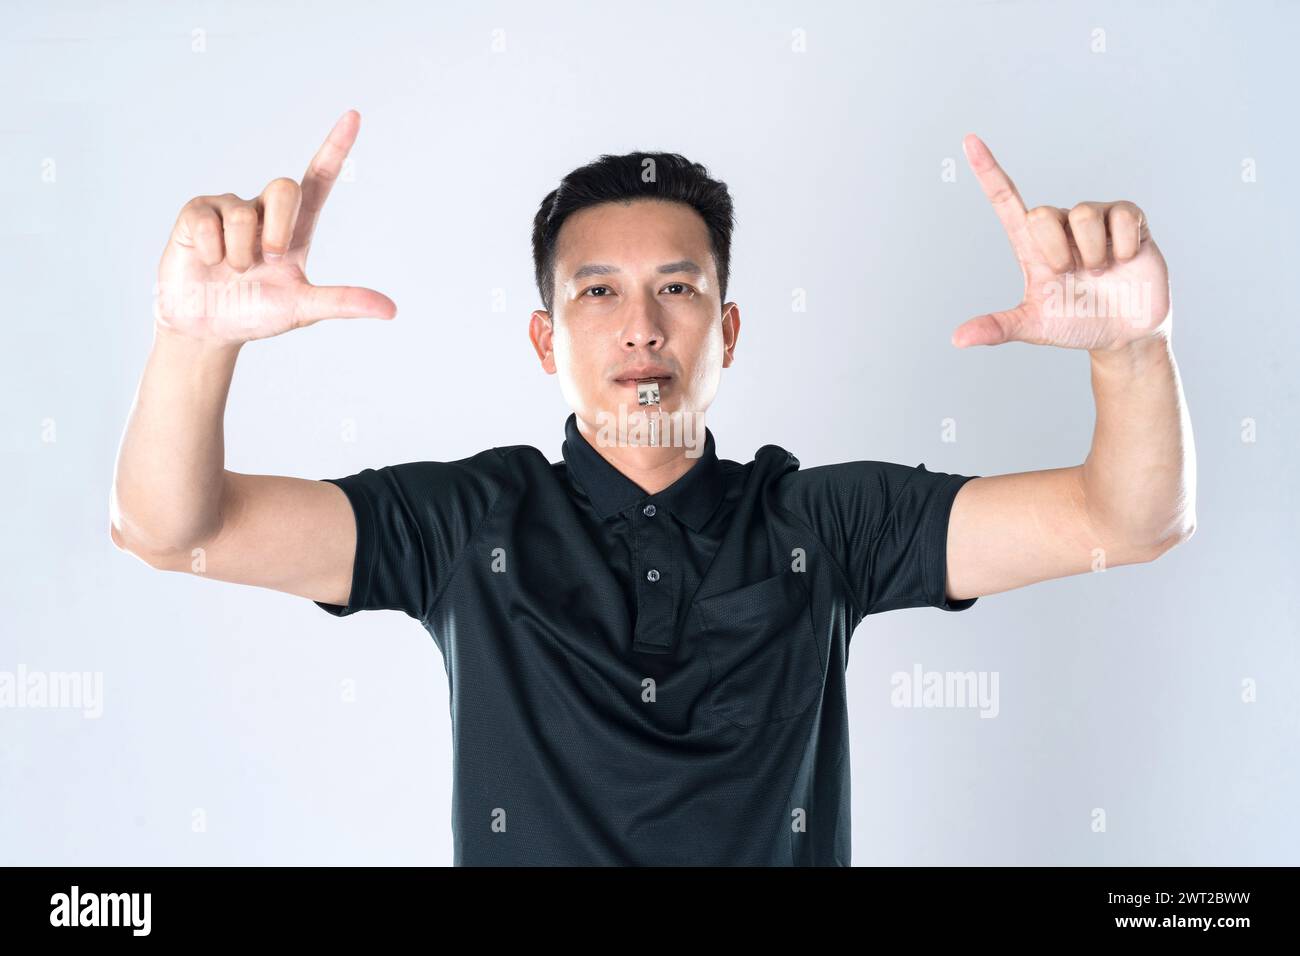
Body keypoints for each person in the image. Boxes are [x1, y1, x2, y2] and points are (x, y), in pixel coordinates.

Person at [109, 110, 1196, 865]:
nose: (641, 327)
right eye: (598, 293)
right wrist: (190, 342)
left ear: (725, 331)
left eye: (677, 288)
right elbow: (168, 528)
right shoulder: (462, 523)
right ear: (545, 339)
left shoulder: (825, 522)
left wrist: (1133, 349)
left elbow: (1130, 519)